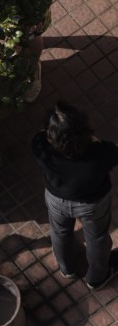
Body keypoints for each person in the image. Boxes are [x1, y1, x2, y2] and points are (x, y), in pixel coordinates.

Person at [32, 102, 118, 289]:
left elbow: (40, 135)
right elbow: (113, 152)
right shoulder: (100, 153)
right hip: (92, 204)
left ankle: (67, 269)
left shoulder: (41, 147)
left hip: (56, 199)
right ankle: (96, 278)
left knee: (60, 232)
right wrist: (95, 141)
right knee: (96, 237)